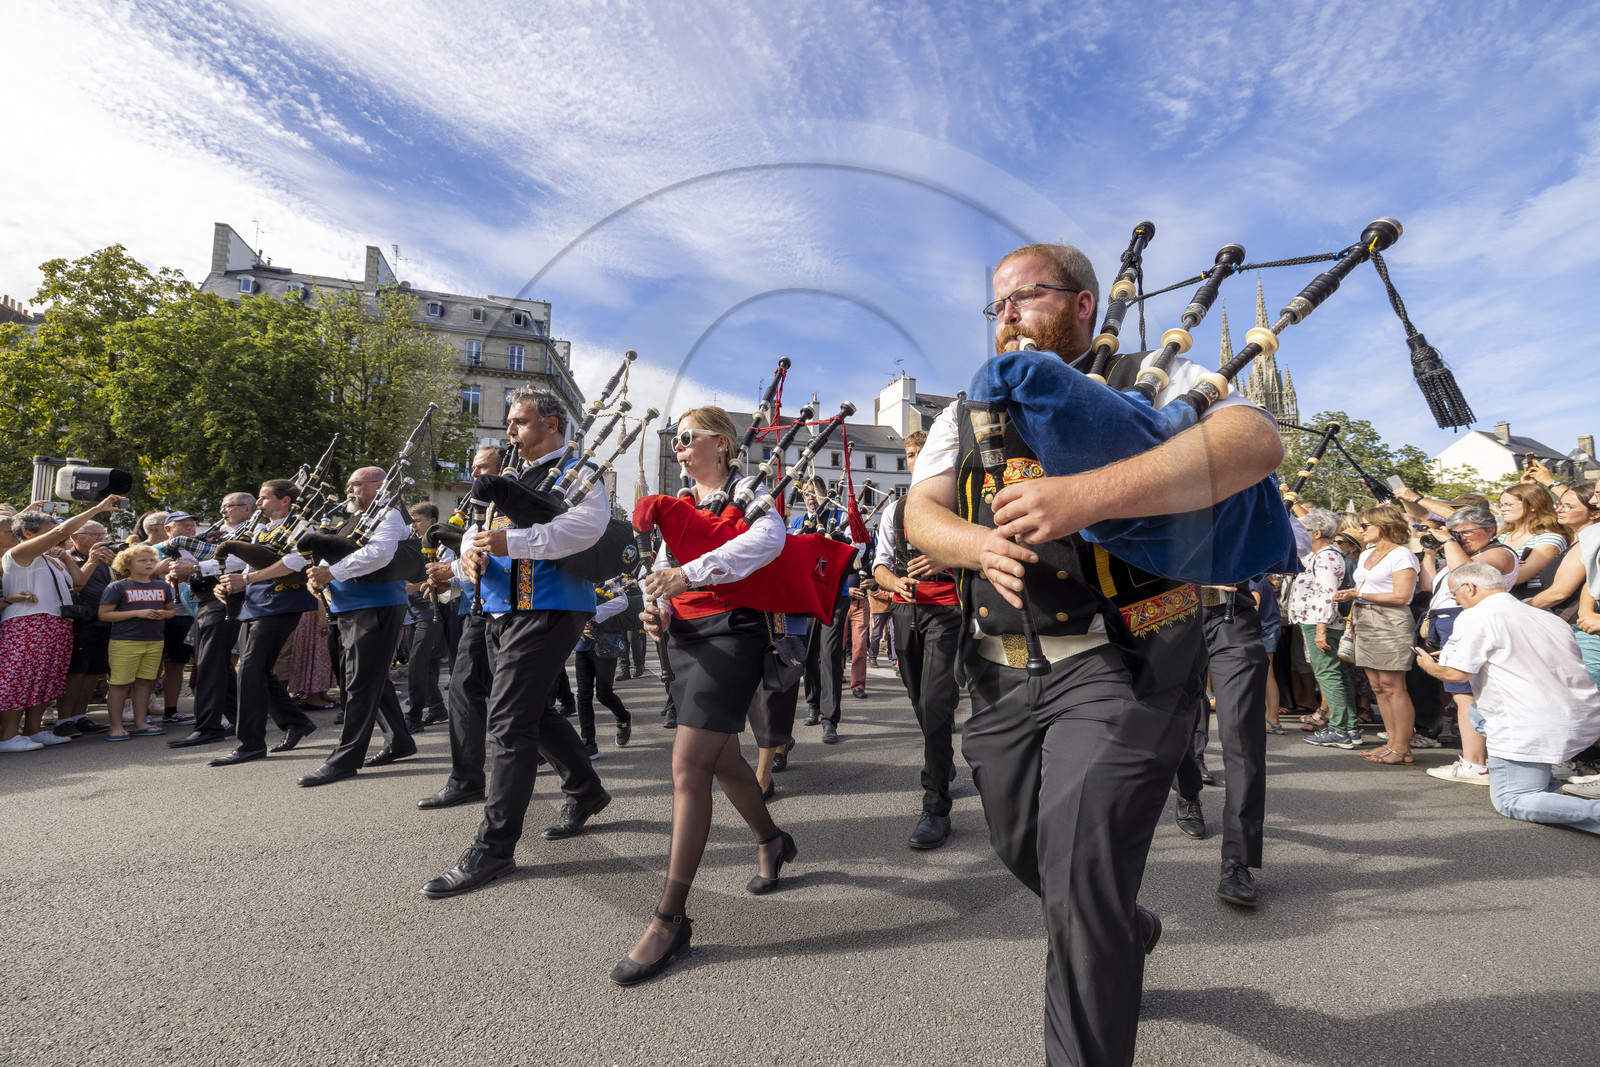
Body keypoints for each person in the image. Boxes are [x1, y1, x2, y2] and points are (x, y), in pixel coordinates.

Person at [903, 240, 1283, 1065]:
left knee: (1078, 879)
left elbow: (1254, 442)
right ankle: (1125, 924)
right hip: (1001, 668)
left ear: (1083, 305)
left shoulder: (1155, 378)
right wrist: (973, 546)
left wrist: (1083, 496)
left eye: (1025, 297)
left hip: (1130, 660)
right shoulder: (967, 408)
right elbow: (920, 513)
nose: (1005, 315)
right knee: (1021, 843)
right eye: (994, 304)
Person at [613, 406, 794, 986]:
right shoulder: (682, 505)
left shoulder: (746, 488)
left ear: (720, 442)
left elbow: (771, 537)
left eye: (687, 438)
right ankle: (773, 839)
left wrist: (694, 575)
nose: (679, 447)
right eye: (676, 441)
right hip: (687, 639)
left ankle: (670, 918)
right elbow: (665, 568)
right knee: (723, 760)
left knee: (688, 764)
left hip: (735, 632)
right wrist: (656, 608)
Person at [421, 389, 612, 895]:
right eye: (509, 421)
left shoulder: (579, 470)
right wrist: (466, 560)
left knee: (507, 719)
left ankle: (494, 849)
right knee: (528, 710)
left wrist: (512, 543)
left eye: (520, 422)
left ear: (552, 425)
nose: (509, 431)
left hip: (551, 604)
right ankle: (586, 789)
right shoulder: (506, 473)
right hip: (497, 606)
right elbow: (472, 529)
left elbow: (584, 531)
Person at [1416, 560, 1600, 832]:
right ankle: (1544, 785)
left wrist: (1430, 667)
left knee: (1512, 800)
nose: (1456, 600)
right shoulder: (1545, 616)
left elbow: (1456, 675)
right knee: (1478, 713)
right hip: (1580, 715)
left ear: (1470, 587)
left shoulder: (1476, 615)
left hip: (1530, 722)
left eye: (1455, 594)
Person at [873, 431, 962, 849]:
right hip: (906, 610)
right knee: (920, 701)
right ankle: (941, 760)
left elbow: (988, 548)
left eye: (922, 453)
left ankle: (936, 805)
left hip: (950, 610)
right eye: (910, 454)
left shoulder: (960, 501)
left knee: (934, 701)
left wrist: (949, 556)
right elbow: (879, 565)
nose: (915, 460)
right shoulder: (895, 509)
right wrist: (894, 582)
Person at [301, 467, 417, 785]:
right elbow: (337, 552)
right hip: (350, 606)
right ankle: (399, 740)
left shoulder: (388, 513)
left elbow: (379, 554)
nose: (348, 490)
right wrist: (320, 578)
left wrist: (331, 573)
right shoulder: (355, 519)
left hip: (375, 606)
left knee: (359, 684)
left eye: (354, 484)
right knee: (368, 680)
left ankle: (345, 759)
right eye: (348, 484)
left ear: (379, 486)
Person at [209, 479, 320, 766]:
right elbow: (247, 566)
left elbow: (294, 563)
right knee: (256, 669)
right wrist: (229, 586)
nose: (258, 503)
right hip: (254, 603)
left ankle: (251, 744)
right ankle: (296, 722)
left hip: (282, 602)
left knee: (250, 669)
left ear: (284, 500)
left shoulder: (302, 526)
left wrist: (246, 579)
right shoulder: (260, 530)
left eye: (263, 497)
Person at [1408, 505, 1518, 785]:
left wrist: (1447, 541)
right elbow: (1433, 586)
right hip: (1451, 621)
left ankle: (1475, 763)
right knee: (1462, 695)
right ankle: (1478, 761)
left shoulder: (1499, 553)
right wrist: (1432, 554)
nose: (1460, 538)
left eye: (1466, 532)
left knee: (1467, 694)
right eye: (1456, 533)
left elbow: (1465, 577)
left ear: (1490, 530)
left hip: (1469, 619)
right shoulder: (1466, 555)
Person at [2, 497, 122, 751]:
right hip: (27, 623)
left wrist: (67, 559)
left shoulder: (54, 558)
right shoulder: (17, 554)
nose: (57, 537)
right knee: (21, 679)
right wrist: (98, 508)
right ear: (28, 533)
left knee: (46, 678)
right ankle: (8, 735)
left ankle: (33, 731)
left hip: (57, 623)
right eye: (48, 533)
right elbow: (62, 530)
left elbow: (78, 582)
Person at [1333, 505, 1419, 766]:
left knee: (1394, 687)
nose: (1360, 530)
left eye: (1365, 525)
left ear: (1384, 526)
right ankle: (1392, 743)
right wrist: (1353, 594)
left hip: (1390, 621)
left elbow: (1402, 596)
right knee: (1379, 687)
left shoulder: (1402, 554)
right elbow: (1364, 586)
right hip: (1365, 619)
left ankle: (1402, 749)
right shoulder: (1367, 553)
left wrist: (1357, 594)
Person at [1293, 509, 1362, 748]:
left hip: (1320, 622)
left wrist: (1321, 627)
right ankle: (1349, 727)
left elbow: (1326, 593)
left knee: (1328, 675)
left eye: (1304, 532)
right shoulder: (1320, 555)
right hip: (1316, 620)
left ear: (1317, 533)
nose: (1299, 536)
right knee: (1337, 676)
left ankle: (1340, 730)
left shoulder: (1326, 557)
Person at [98, 543, 178, 739]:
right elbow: (104, 615)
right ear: (127, 565)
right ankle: (116, 726)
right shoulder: (117, 586)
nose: (149, 563)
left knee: (144, 683)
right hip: (125, 642)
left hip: (154, 641)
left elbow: (171, 611)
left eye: (152, 560)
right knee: (119, 684)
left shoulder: (161, 586)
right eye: (142, 560)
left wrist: (164, 614)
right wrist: (137, 613)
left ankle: (140, 723)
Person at [794, 475, 849, 742]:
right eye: (805, 493)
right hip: (807, 597)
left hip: (835, 597)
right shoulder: (796, 523)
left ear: (826, 492)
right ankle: (813, 704)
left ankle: (830, 719)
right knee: (807, 654)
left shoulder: (840, 519)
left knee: (828, 655)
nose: (810, 496)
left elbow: (858, 550)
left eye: (814, 491)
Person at [54, 520, 116, 736]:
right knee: (75, 672)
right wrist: (92, 560)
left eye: (103, 534)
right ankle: (64, 719)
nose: (101, 539)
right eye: (94, 535)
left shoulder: (108, 558)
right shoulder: (66, 558)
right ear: (74, 537)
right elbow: (76, 584)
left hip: (104, 621)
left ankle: (80, 716)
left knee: (93, 672)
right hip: (80, 623)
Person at [403, 501, 450, 729]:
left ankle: (413, 717)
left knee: (417, 663)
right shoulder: (409, 544)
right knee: (426, 664)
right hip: (410, 612)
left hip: (433, 610)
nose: (413, 525)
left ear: (432, 522)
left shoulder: (444, 544)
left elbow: (448, 575)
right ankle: (437, 708)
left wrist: (415, 585)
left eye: (417, 520)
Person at [573, 583, 633, 757]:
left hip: (606, 643)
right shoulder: (576, 575)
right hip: (583, 645)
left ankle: (623, 717)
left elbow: (622, 602)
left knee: (603, 694)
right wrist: (578, 623)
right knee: (583, 695)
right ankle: (588, 742)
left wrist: (590, 617)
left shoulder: (610, 575)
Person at [153, 512, 198, 726]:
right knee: (152, 665)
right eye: (184, 525)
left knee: (176, 665)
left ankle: (171, 710)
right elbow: (132, 576)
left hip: (186, 615)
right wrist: (157, 570)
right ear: (168, 529)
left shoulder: (196, 551)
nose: (190, 528)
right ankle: (142, 710)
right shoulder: (153, 551)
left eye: (192, 525)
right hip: (158, 616)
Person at [1496, 483, 1570, 601]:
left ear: (1533, 506)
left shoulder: (1549, 538)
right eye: (1501, 505)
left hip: (1530, 603)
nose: (1503, 509)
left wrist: (1497, 566)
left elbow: (1520, 577)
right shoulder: (1500, 537)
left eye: (1508, 505)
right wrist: (1511, 566)